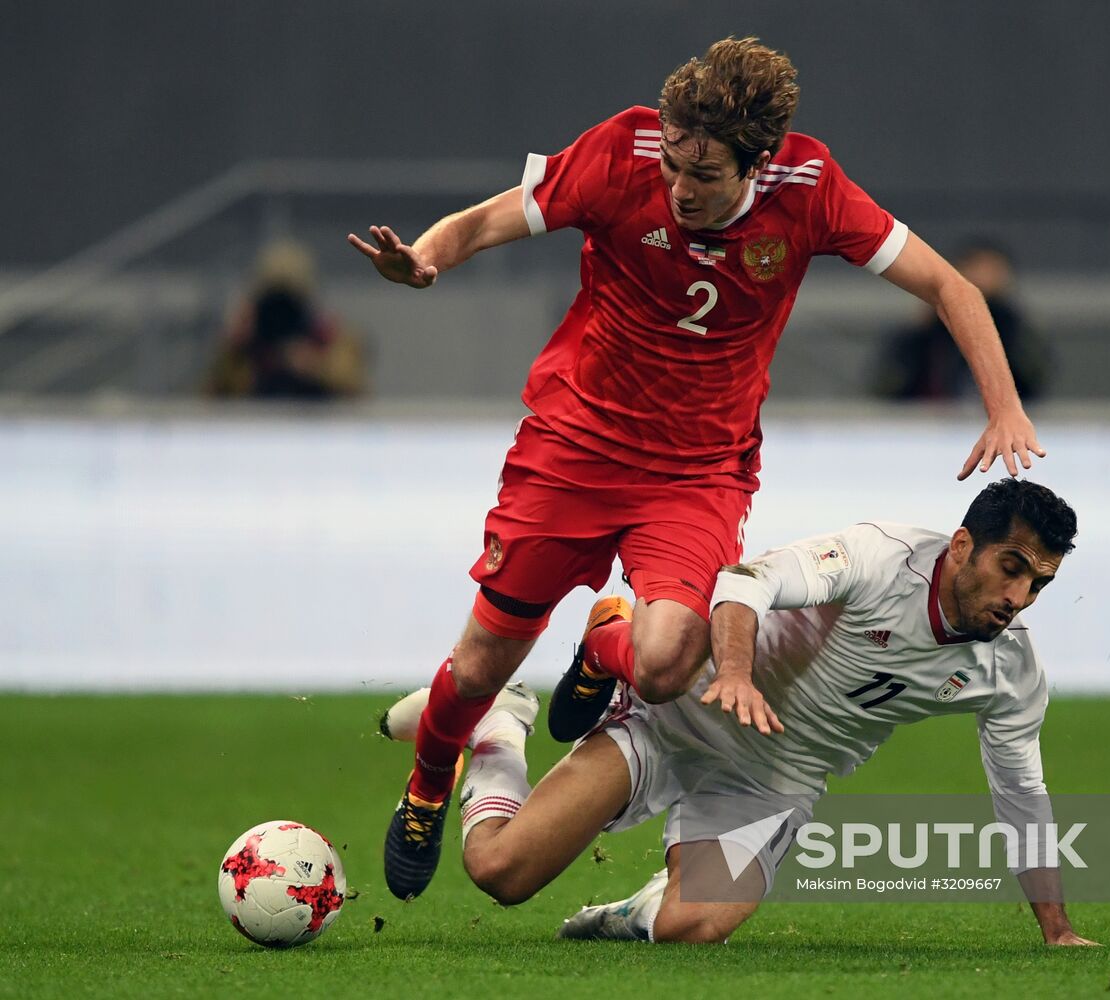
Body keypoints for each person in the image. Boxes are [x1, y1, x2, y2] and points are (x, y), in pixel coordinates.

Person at [347, 37, 1047, 901]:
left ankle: (607, 642)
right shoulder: (621, 151)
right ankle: (432, 776)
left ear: (759, 164)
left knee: (668, 661)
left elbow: (951, 286)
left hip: (698, 475)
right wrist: (425, 259)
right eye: (674, 164)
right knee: (485, 661)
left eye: (704, 175)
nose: (679, 188)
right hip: (574, 447)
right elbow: (491, 218)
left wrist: (1005, 404)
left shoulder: (812, 189)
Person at [382, 478, 1095, 946]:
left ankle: (631, 913)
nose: (1020, 596)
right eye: (1012, 567)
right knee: (500, 872)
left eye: (1039, 583)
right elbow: (746, 582)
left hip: (775, 782)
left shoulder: (1009, 669)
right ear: (964, 546)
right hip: (681, 720)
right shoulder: (880, 557)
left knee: (697, 925)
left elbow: (1022, 798)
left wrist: (1056, 929)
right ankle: (503, 726)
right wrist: (734, 673)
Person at [870, 240, 1051, 401]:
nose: (982, 277)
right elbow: (890, 383)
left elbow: (1036, 377)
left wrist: (1006, 322)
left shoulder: (1016, 331)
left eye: (991, 270)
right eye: (975, 267)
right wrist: (924, 328)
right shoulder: (928, 331)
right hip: (930, 424)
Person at [205, 240, 367, 399]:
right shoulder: (246, 341)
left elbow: (355, 394)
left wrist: (316, 366)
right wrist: (233, 351)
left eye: (290, 301)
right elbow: (210, 405)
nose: (280, 315)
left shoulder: (329, 337)